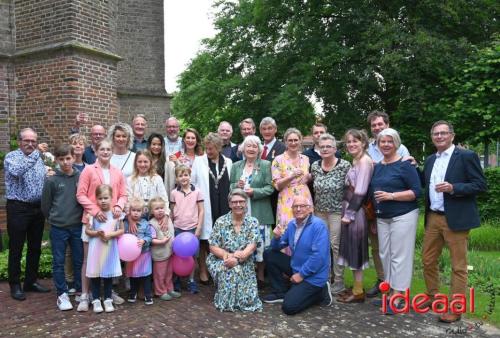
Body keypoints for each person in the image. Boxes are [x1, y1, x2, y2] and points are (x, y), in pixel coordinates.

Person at [422, 121, 487, 323]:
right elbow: (425, 184)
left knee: (458, 266)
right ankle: (433, 297)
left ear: (452, 135)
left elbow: (480, 185)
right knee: (427, 260)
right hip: (433, 217)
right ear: (432, 137)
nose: (439, 136)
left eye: (443, 133)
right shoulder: (431, 159)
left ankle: (456, 309)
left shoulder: (466, 156)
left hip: (456, 219)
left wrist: (453, 188)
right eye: (435, 134)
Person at [370, 128, 421, 314]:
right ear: (378, 144)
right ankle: (390, 291)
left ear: (396, 143)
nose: (385, 144)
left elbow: (416, 192)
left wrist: (391, 196)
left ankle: (399, 297)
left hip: (403, 215)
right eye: (382, 141)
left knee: (400, 256)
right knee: (385, 254)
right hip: (382, 217)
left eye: (389, 141)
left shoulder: (406, 165)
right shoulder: (377, 166)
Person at [76, 138, 128, 311]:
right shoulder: (89, 170)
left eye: (108, 149)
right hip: (93, 220)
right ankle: (85, 294)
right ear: (96, 151)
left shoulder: (117, 172)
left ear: (112, 151)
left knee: (107, 258)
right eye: (102, 149)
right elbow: (81, 195)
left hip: (111, 222)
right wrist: (95, 210)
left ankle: (106, 294)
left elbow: (123, 194)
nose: (105, 152)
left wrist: (119, 206)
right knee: (88, 259)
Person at [365, 110, 412, 298]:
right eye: (374, 125)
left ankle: (398, 292)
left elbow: (413, 186)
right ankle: (384, 282)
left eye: (380, 124)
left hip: (400, 210)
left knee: (398, 253)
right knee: (380, 250)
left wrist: (392, 196)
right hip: (376, 208)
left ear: (387, 124)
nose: (377, 128)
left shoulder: (402, 152)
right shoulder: (368, 150)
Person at [263, 195, 332, 315]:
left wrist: (301, 275)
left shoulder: (318, 226)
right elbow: (276, 247)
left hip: (313, 275)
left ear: (310, 209)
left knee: (289, 307)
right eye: (295, 206)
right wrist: (276, 237)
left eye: (302, 206)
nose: (298, 209)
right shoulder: (292, 224)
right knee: (269, 254)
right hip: (297, 267)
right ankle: (281, 291)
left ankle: (321, 293)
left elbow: (319, 256)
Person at [5, 128, 51, 301]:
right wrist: (37, 153)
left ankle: (30, 282)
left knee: (35, 247)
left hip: (37, 209)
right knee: (16, 248)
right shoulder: (12, 157)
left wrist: (48, 176)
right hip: (18, 208)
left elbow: (39, 179)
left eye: (33, 141)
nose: (31, 144)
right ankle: (15, 285)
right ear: (19, 141)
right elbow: (18, 171)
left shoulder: (38, 159)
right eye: (27, 140)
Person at [41, 144, 84, 310]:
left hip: (77, 226)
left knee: (79, 259)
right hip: (58, 227)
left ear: (74, 158)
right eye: (61, 159)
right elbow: (46, 205)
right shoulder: (51, 180)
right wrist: (54, 219)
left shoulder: (80, 177)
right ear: (57, 160)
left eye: (68, 158)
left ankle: (80, 290)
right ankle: (62, 293)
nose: (65, 162)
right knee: (58, 261)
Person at [206, 189, 262, 312]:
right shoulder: (220, 221)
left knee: (248, 300)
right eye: (234, 202)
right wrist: (229, 257)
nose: (238, 205)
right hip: (221, 258)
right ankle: (226, 300)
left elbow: (252, 246)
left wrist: (237, 259)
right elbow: (213, 246)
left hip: (244, 259)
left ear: (246, 203)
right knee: (231, 272)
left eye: (241, 201)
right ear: (230, 204)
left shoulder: (253, 222)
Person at [229, 135, 274, 286]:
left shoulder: (266, 165)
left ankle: (260, 276)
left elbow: (270, 188)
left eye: (255, 146)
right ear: (243, 148)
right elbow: (230, 187)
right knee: (242, 244)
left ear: (259, 149)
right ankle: (245, 275)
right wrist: (237, 185)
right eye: (248, 146)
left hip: (260, 212)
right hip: (240, 213)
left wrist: (254, 192)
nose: (251, 149)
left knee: (261, 245)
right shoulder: (236, 166)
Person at [311, 133, 351, 294]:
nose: (325, 149)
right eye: (322, 147)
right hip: (319, 211)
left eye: (329, 146)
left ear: (335, 149)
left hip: (336, 212)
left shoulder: (344, 165)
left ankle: (339, 280)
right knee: (322, 245)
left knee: (335, 246)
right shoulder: (315, 166)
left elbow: (352, 187)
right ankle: (325, 277)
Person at [336, 129, 373, 304]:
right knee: (350, 249)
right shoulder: (356, 161)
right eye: (348, 142)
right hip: (349, 210)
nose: (351, 144)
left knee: (356, 250)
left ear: (363, 143)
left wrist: (349, 215)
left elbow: (360, 192)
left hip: (355, 213)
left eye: (355, 141)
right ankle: (356, 288)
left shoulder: (365, 162)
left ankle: (358, 292)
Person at [191, 133, 233, 284]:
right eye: (207, 148)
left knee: (223, 239)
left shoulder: (228, 162)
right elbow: (193, 183)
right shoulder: (199, 161)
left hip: (223, 203)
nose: (209, 151)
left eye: (212, 149)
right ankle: (203, 269)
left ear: (219, 147)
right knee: (204, 240)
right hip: (206, 204)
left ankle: (221, 269)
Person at [85, 184, 124, 313]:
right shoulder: (93, 215)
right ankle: (96, 299)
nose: (103, 201)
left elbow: (121, 230)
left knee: (108, 275)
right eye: (100, 198)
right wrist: (98, 233)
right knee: (95, 275)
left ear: (112, 198)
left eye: (106, 198)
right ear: (96, 199)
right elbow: (88, 231)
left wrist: (110, 235)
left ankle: (107, 299)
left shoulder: (116, 214)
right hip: (96, 248)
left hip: (109, 249)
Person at [170, 165, 205, 293]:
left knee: (192, 256)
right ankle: (177, 279)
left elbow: (201, 211)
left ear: (190, 176)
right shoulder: (174, 193)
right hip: (178, 228)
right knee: (177, 254)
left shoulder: (197, 191)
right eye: (180, 175)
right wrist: (170, 228)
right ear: (177, 178)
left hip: (192, 228)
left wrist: (199, 227)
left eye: (186, 175)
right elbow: (172, 212)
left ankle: (191, 280)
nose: (183, 178)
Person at [272, 128, 312, 235]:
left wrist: (309, 177)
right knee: (286, 230)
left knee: (306, 231)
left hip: (304, 198)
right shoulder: (278, 160)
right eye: (290, 140)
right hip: (286, 199)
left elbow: (309, 176)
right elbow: (277, 186)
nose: (293, 143)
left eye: (296, 140)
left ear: (300, 141)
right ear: (285, 142)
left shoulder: (306, 159)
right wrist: (291, 176)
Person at [124, 198, 154, 305]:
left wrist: (144, 240)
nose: (136, 213)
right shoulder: (126, 223)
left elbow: (150, 237)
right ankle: (133, 293)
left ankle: (148, 294)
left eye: (138, 211)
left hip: (144, 254)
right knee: (133, 275)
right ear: (130, 211)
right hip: (131, 256)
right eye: (133, 210)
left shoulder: (146, 224)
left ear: (142, 212)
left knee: (146, 275)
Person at [149, 197, 180, 301]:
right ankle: (160, 291)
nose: (160, 210)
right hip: (159, 254)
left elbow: (172, 233)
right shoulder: (152, 224)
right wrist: (161, 241)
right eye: (157, 208)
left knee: (169, 273)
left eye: (162, 208)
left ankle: (169, 288)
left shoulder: (168, 220)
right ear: (152, 211)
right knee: (160, 274)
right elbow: (151, 239)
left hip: (170, 251)